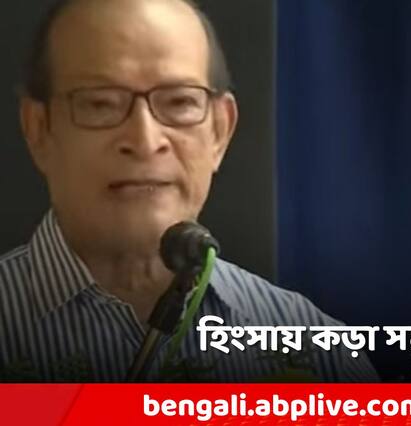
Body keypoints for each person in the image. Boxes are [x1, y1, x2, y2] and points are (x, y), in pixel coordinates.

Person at [0, 0, 378, 382]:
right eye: (100, 103)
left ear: (220, 132)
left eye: (179, 102)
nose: (145, 141)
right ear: (39, 129)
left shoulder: (317, 354)